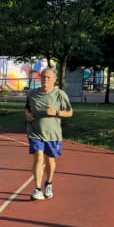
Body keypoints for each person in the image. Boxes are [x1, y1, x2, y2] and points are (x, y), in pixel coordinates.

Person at [24, 67, 74, 200]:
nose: (45, 80)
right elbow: (27, 109)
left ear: (54, 79)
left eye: (48, 77)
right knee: (38, 157)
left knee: (50, 159)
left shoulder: (60, 94)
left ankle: (49, 183)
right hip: (35, 132)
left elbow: (69, 112)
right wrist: (28, 115)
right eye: (43, 77)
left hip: (53, 134)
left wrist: (56, 112)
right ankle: (37, 189)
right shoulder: (32, 94)